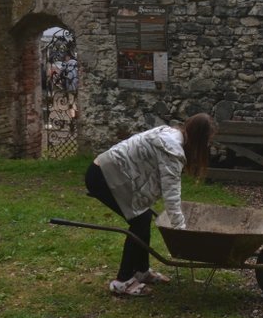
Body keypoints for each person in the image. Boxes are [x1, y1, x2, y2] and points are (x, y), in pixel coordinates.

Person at [84, 114, 216, 296]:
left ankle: (141, 272)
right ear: (199, 139)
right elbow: (171, 195)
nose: (208, 145)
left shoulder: (171, 135)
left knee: (143, 218)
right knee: (139, 222)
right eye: (207, 141)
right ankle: (122, 281)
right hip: (103, 175)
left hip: (110, 171)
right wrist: (181, 230)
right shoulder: (172, 150)